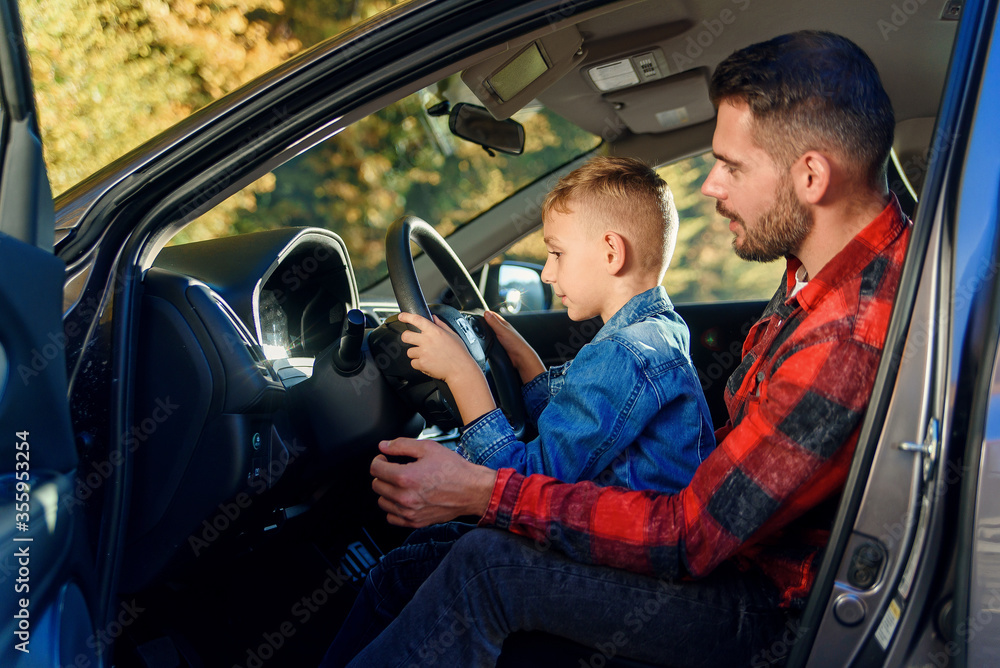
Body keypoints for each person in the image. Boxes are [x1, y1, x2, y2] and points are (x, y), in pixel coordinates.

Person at [325, 29, 911, 667]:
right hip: (738, 561)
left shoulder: (849, 331)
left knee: (482, 566)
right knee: (420, 565)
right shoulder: (816, 276)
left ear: (811, 175)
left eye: (733, 166)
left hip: (764, 611)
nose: (711, 185)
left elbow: (690, 537)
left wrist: (480, 492)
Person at [396, 156, 714, 491]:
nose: (546, 274)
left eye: (557, 254)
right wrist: (527, 363)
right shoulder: (661, 332)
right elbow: (579, 429)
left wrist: (461, 374)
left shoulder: (624, 355)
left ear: (611, 254)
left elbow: (520, 485)